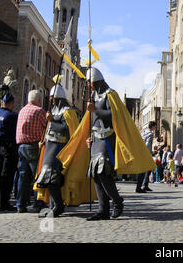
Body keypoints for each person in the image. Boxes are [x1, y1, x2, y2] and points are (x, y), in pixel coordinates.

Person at [59, 67, 155, 221]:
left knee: (103, 172)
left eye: (90, 82)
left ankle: (117, 202)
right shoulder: (93, 96)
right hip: (96, 139)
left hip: (107, 139)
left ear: (96, 81)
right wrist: (89, 135)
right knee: (96, 175)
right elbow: (91, 120)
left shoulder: (110, 95)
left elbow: (113, 115)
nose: (88, 85)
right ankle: (102, 210)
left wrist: (95, 109)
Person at [34, 83, 79, 218]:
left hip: (59, 148)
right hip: (49, 146)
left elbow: (66, 129)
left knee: (52, 178)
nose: (50, 99)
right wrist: (43, 140)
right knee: (47, 178)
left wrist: (52, 121)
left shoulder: (67, 112)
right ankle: (52, 206)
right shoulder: (53, 111)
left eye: (52, 97)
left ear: (58, 97)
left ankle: (58, 206)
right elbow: (49, 128)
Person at [15, 90, 47, 213]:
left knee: (23, 177)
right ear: (38, 100)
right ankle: (38, 203)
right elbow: (47, 126)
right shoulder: (39, 111)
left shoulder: (22, 111)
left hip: (21, 146)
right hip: (33, 145)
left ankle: (20, 204)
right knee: (38, 175)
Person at [0, 94, 18, 211]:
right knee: (6, 176)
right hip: (9, 148)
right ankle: (3, 203)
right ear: (11, 103)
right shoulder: (11, 116)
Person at [136, 121, 156, 193]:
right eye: (155, 127)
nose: (155, 128)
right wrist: (148, 153)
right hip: (146, 153)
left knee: (145, 169)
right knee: (145, 170)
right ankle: (140, 187)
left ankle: (144, 185)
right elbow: (147, 144)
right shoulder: (150, 134)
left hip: (140, 152)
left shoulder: (143, 132)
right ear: (153, 127)